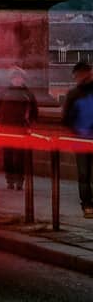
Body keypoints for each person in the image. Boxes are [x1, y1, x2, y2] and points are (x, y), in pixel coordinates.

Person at [0, 67, 38, 190]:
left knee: (20, 156)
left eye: (19, 78)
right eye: (15, 78)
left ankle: (19, 179)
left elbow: (34, 112)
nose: (17, 80)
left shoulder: (28, 94)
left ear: (23, 79)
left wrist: (31, 125)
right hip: (6, 128)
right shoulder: (4, 93)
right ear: (11, 79)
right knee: (8, 155)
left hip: (21, 128)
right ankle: (10, 179)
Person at [62, 61, 93, 218]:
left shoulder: (74, 94)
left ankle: (88, 205)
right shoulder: (73, 94)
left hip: (83, 138)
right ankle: (87, 205)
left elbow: (66, 118)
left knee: (84, 173)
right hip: (81, 140)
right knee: (84, 174)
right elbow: (66, 118)